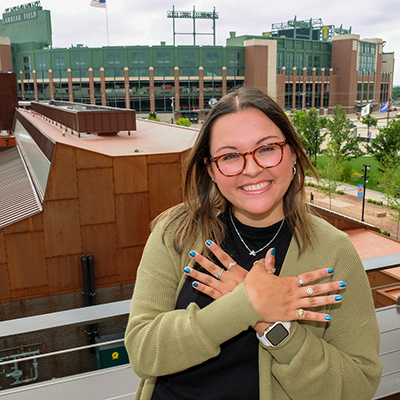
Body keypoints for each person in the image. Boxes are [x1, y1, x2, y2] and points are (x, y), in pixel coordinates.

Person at [125, 86, 382, 400]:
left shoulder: (333, 250)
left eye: (267, 148)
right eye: (230, 156)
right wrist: (246, 304)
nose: (251, 168)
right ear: (211, 169)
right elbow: (143, 351)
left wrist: (273, 326)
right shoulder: (177, 232)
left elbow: (357, 386)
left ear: (292, 154)